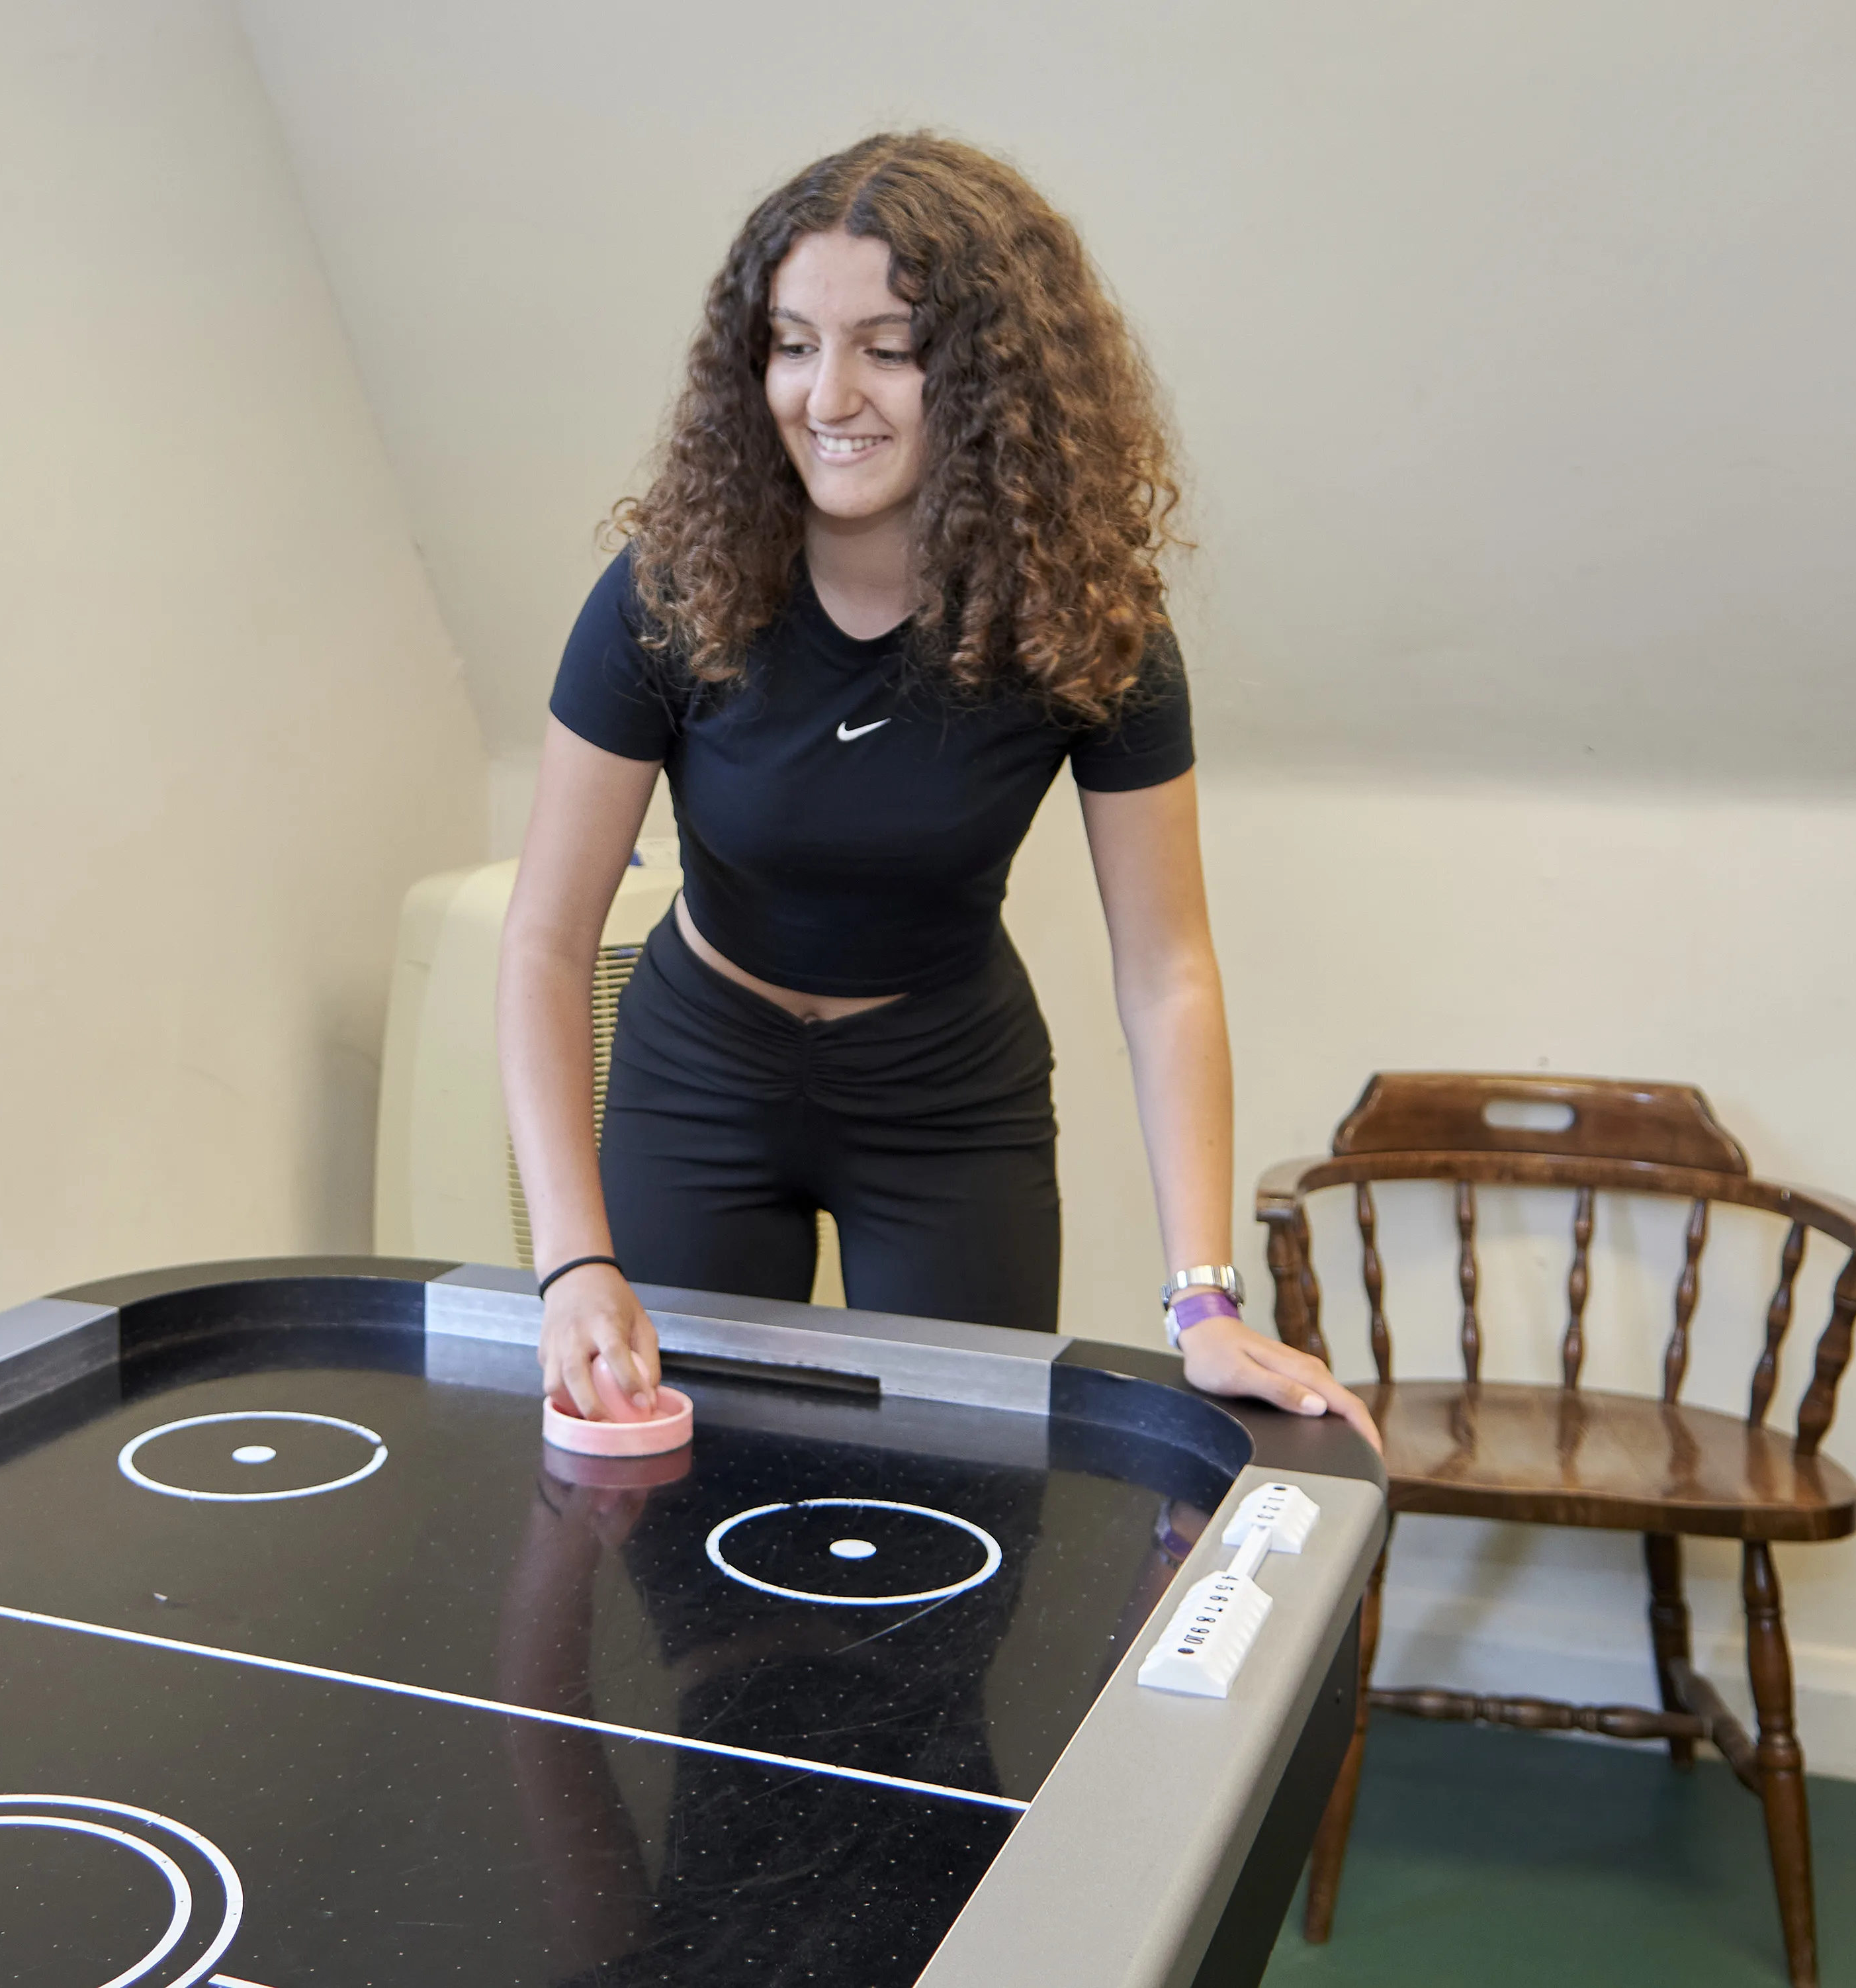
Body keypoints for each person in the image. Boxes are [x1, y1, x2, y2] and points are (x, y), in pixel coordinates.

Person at [496, 132, 1376, 1445]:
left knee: (966, 1509)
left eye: (888, 347)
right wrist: (574, 1264)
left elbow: (1169, 970)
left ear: (986, 376)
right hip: (703, 1072)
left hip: (947, 1095)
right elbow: (547, 941)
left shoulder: (1085, 623)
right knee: (679, 1533)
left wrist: (1204, 1300)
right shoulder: (665, 592)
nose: (826, 392)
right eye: (791, 342)